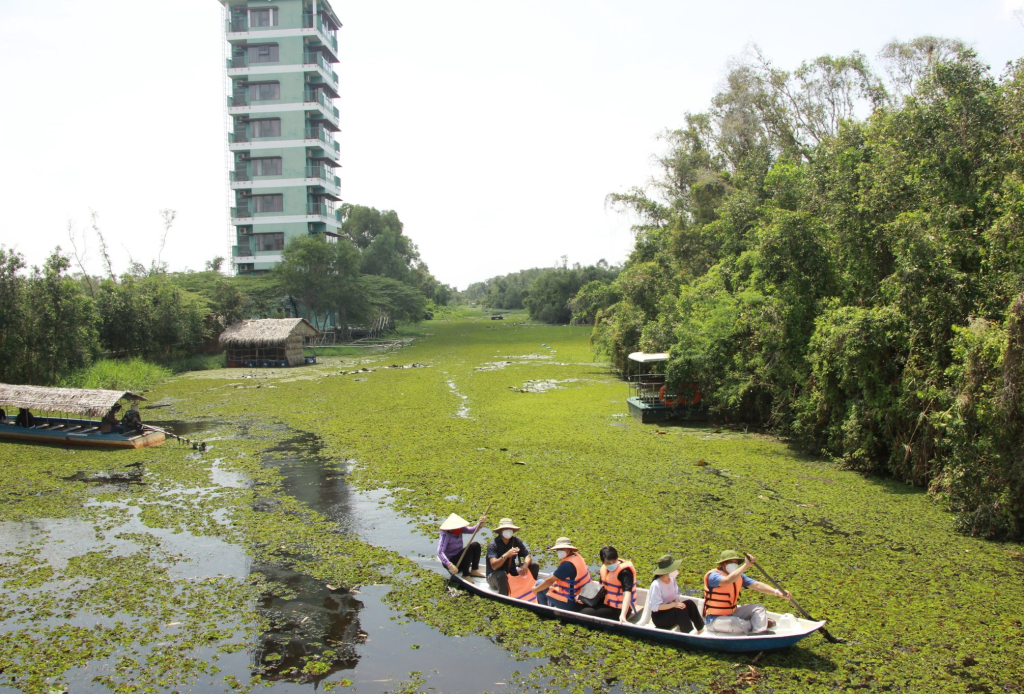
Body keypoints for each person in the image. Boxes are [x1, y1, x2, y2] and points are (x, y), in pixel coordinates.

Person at [703, 550, 792, 634]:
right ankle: (759, 624)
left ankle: (759, 632)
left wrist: (777, 592)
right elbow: (727, 580)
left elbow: (757, 585)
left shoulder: (739, 576)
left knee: (759, 608)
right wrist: (746, 565)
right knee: (732, 623)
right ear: (722, 564)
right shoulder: (713, 576)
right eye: (730, 562)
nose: (734, 564)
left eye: (736, 562)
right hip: (715, 619)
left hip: (732, 613)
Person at [647, 554, 705, 633]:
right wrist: (674, 605)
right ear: (667, 571)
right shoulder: (656, 584)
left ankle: (701, 628)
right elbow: (655, 607)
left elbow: (675, 596)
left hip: (671, 611)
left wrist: (677, 604)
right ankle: (688, 633)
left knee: (689, 603)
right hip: (660, 618)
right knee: (679, 610)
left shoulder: (673, 579)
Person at [532, 537, 591, 612]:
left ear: (569, 549)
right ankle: (552, 605)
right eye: (558, 550)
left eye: (562, 549)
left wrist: (535, 590)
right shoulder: (577, 557)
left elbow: (549, 581)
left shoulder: (567, 565)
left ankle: (545, 611)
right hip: (580, 596)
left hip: (570, 603)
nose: (559, 552)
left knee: (539, 583)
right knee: (551, 574)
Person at [580, 545, 636, 623]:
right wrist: (585, 599)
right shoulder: (604, 569)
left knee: (584, 612)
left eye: (614, 561)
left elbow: (627, 594)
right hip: (608, 602)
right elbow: (600, 587)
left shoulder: (624, 572)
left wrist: (623, 615)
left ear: (617, 558)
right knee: (580, 606)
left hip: (619, 609)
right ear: (603, 562)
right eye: (608, 563)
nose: (612, 564)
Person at [486, 518, 539, 599]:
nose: (508, 531)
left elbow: (527, 555)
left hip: (511, 572)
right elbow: (494, 566)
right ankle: (504, 597)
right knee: (501, 574)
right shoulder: (493, 544)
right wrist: (506, 555)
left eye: (510, 529)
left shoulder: (515, 541)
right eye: (506, 529)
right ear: (500, 531)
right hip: (495, 576)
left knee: (534, 565)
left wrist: (525, 564)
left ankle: (530, 589)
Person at [436, 512, 487, 578]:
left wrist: (480, 524)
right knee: (468, 550)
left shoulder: (460, 529)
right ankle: (465, 575)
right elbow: (440, 552)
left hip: (460, 558)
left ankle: (474, 570)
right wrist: (449, 565)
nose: (459, 529)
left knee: (476, 545)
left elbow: (472, 530)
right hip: (451, 561)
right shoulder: (445, 535)